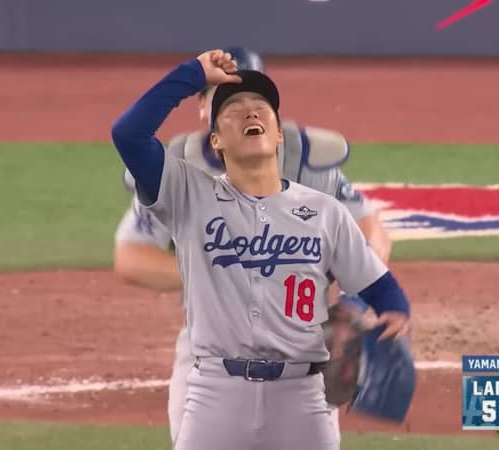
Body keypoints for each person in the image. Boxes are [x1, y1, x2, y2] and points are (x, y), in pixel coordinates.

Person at [110, 49, 411, 450]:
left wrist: (386, 309)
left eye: (260, 106)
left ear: (279, 131)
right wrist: (192, 74)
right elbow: (128, 135)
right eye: (233, 108)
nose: (250, 111)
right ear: (215, 138)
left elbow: (380, 285)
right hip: (215, 390)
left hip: (304, 394)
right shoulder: (188, 193)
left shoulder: (324, 211)